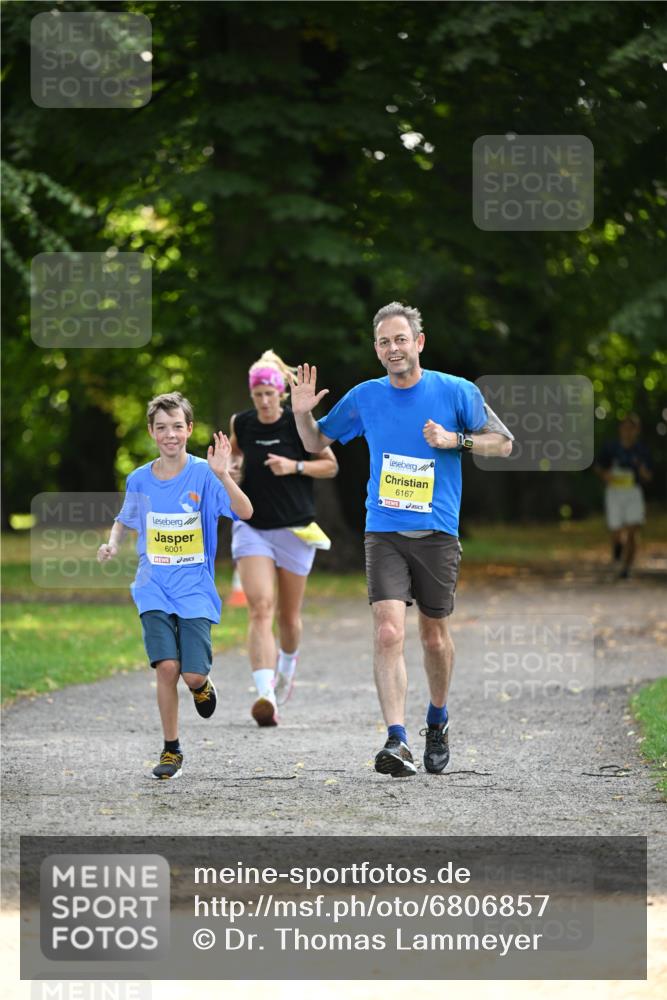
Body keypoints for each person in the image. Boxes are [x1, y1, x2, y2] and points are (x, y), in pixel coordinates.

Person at [290, 302, 513, 777]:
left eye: (400, 339)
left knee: (434, 637)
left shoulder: (457, 391)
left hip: (437, 533)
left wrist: (456, 441)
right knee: (388, 631)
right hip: (384, 530)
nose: (393, 348)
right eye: (384, 342)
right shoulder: (365, 397)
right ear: (376, 350)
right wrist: (302, 415)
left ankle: (437, 719)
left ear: (419, 343)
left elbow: (504, 442)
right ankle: (397, 739)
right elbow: (314, 443)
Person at [97, 391, 253, 780]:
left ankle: (201, 685)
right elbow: (124, 518)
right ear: (151, 432)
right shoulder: (139, 479)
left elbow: (246, 511)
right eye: (162, 427)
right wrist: (112, 543)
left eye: (177, 427)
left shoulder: (204, 474)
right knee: (166, 667)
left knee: (191, 674)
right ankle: (171, 749)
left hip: (194, 589)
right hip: (152, 587)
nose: (170, 434)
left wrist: (223, 475)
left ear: (189, 429)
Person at [229, 350, 338, 727]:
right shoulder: (242, 423)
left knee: (288, 617)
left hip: (295, 529)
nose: (263, 401)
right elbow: (235, 456)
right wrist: (232, 469)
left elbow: (330, 466)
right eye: (257, 394)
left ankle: (287, 670)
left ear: (281, 393)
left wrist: (294, 466)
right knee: (260, 608)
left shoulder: (298, 423)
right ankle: (265, 694)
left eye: (269, 394)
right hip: (253, 528)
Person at [594, 414, 653, 579]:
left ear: (637, 430)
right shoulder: (611, 448)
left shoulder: (641, 450)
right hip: (614, 492)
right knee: (616, 530)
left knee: (633, 529)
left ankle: (627, 568)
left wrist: (642, 471)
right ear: (620, 429)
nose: (628, 432)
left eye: (631, 428)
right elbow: (598, 466)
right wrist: (605, 475)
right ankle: (617, 548)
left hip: (633, 491)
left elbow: (648, 476)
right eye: (625, 427)